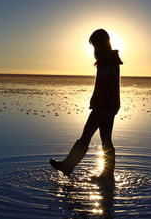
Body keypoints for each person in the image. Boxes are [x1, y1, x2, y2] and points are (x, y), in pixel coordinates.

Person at [50, 29, 123, 184]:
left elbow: (107, 84)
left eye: (95, 45)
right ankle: (107, 175)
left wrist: (97, 102)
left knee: (86, 137)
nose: (94, 48)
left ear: (101, 44)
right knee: (106, 140)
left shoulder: (107, 60)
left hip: (103, 106)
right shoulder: (110, 59)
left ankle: (68, 166)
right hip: (109, 106)